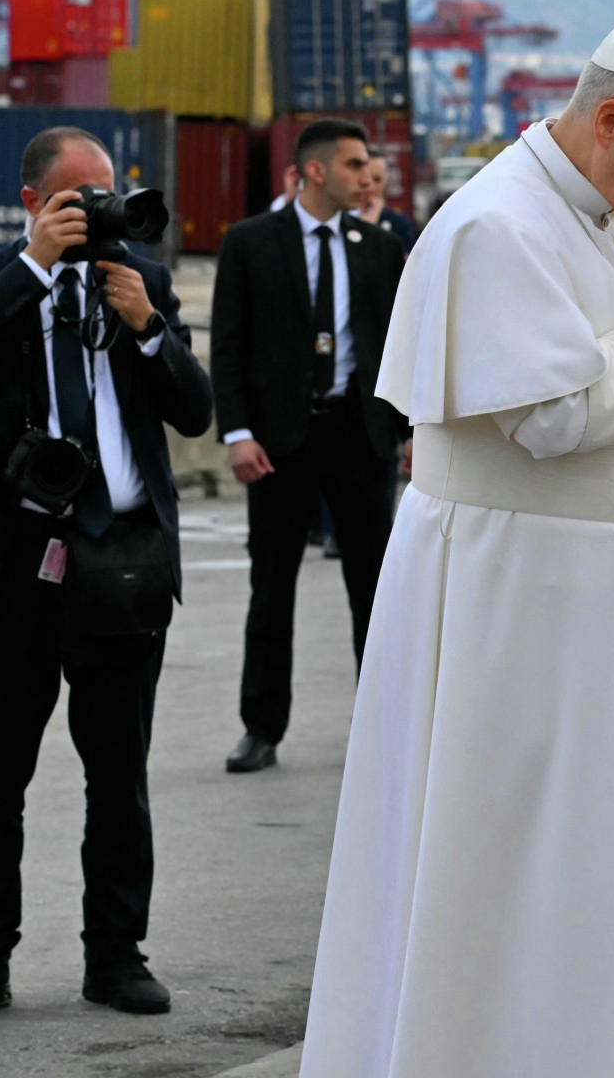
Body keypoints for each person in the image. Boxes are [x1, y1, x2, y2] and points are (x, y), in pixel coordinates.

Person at [296, 13, 614, 1077]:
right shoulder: (499, 223)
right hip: (514, 606)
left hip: (584, 604)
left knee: (589, 874)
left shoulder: (594, 214)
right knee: (496, 879)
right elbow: (553, 415)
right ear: (611, 118)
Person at [0, 126, 213, 1021]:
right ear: (32, 202)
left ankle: (116, 956)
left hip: (122, 563)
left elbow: (195, 412)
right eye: (78, 197)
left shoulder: (141, 280)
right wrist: (34, 267)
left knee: (119, 779)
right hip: (14, 565)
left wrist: (148, 326)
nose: (98, 210)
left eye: (106, 191)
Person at [210, 118, 408, 774]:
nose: (367, 176)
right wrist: (237, 432)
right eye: (354, 165)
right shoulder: (249, 243)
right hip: (279, 442)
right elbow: (228, 344)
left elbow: (400, 346)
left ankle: (383, 728)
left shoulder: (379, 247)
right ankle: (261, 727)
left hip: (359, 437)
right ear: (315, 171)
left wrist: (410, 432)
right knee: (271, 590)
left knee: (374, 590)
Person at [353, 155, 417, 254]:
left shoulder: (398, 223)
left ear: (385, 182)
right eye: (365, 178)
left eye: (377, 179)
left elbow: (406, 261)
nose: (370, 186)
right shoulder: (338, 218)